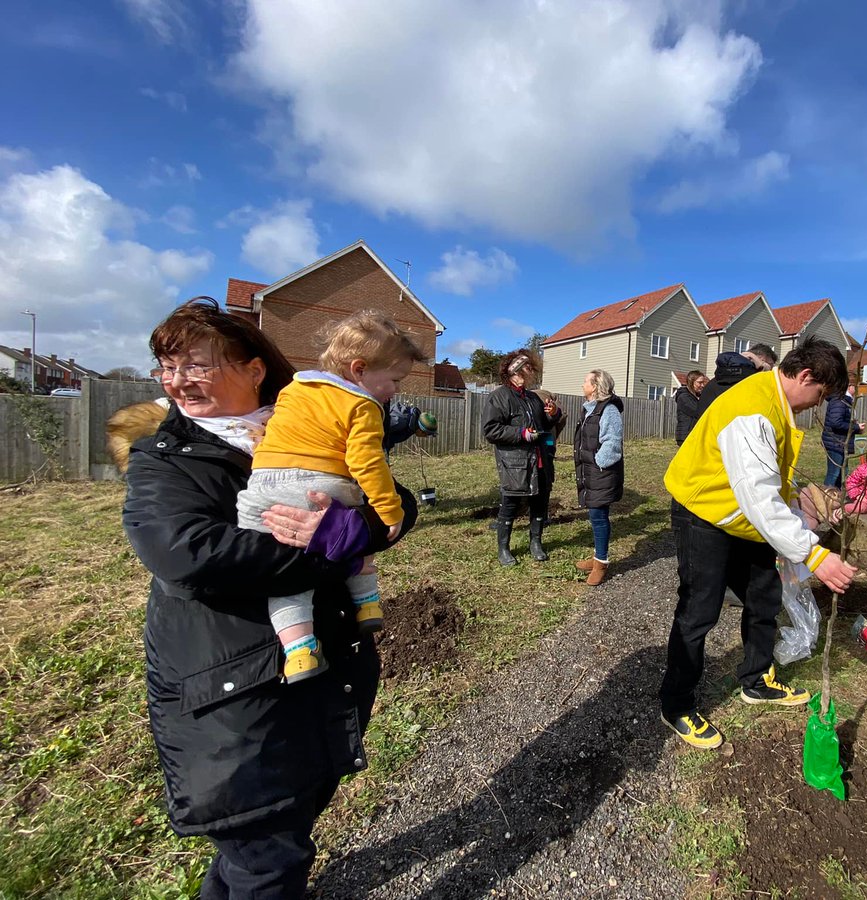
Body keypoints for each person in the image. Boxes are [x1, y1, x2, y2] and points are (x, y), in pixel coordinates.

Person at [111, 297, 410, 898]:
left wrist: (359, 531)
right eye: (167, 367)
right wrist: (323, 551)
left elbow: (391, 500)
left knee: (269, 842)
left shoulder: (307, 417)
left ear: (253, 368)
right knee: (267, 855)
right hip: (238, 690)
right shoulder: (165, 457)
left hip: (321, 670)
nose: (178, 382)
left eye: (195, 365)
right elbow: (186, 554)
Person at [659, 337, 857, 750]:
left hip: (743, 519)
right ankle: (676, 705)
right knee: (699, 609)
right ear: (805, 376)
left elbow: (772, 487)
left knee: (764, 595)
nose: (816, 406)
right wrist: (813, 553)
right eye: (819, 395)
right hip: (704, 513)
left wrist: (792, 535)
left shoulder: (775, 402)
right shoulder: (753, 409)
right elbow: (760, 497)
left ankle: (756, 679)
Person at [236, 310, 421, 683]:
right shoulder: (362, 405)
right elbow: (366, 462)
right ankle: (367, 605)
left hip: (261, 490)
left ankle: (300, 649)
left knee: (285, 581)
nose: (396, 391)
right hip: (320, 483)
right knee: (351, 530)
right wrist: (389, 509)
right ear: (359, 370)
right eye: (394, 380)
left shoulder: (293, 390)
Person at [482, 350, 563, 566]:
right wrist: (521, 433)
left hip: (539, 460)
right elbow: (491, 430)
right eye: (529, 368)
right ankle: (504, 548)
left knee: (540, 503)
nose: (533, 372)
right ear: (516, 371)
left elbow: (545, 426)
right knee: (510, 504)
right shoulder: (499, 397)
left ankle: (535, 543)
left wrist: (552, 414)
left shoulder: (533, 398)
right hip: (515, 462)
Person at [573, 369, 625, 586]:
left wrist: (598, 462)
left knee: (598, 516)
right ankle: (597, 556)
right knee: (595, 516)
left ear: (595, 386)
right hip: (591, 472)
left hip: (601, 472)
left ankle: (601, 563)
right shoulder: (590, 410)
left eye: (586, 381)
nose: (583, 383)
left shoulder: (609, 409)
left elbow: (613, 443)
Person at [696, 343, 778, 414]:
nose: (771, 369)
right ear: (760, 360)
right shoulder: (750, 384)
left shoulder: (716, 380)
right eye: (770, 364)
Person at [821, 376, 863, 487]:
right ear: (849, 386)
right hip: (836, 442)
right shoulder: (840, 401)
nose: (857, 389)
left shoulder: (845, 400)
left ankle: (837, 497)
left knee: (841, 473)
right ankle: (828, 497)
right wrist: (856, 427)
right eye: (856, 386)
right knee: (834, 473)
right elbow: (836, 422)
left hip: (840, 441)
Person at [673, 370, 708, 445]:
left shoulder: (696, 396)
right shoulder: (684, 397)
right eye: (700, 382)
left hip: (693, 435)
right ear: (691, 382)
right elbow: (698, 412)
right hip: (686, 436)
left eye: (703, 382)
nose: (702, 385)